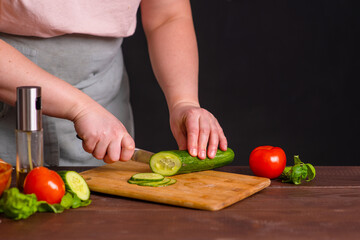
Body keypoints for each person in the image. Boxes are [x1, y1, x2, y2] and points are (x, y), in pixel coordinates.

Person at [0, 0, 227, 166]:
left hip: (104, 99)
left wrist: (184, 101)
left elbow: (167, 15)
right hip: (10, 89)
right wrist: (80, 107)